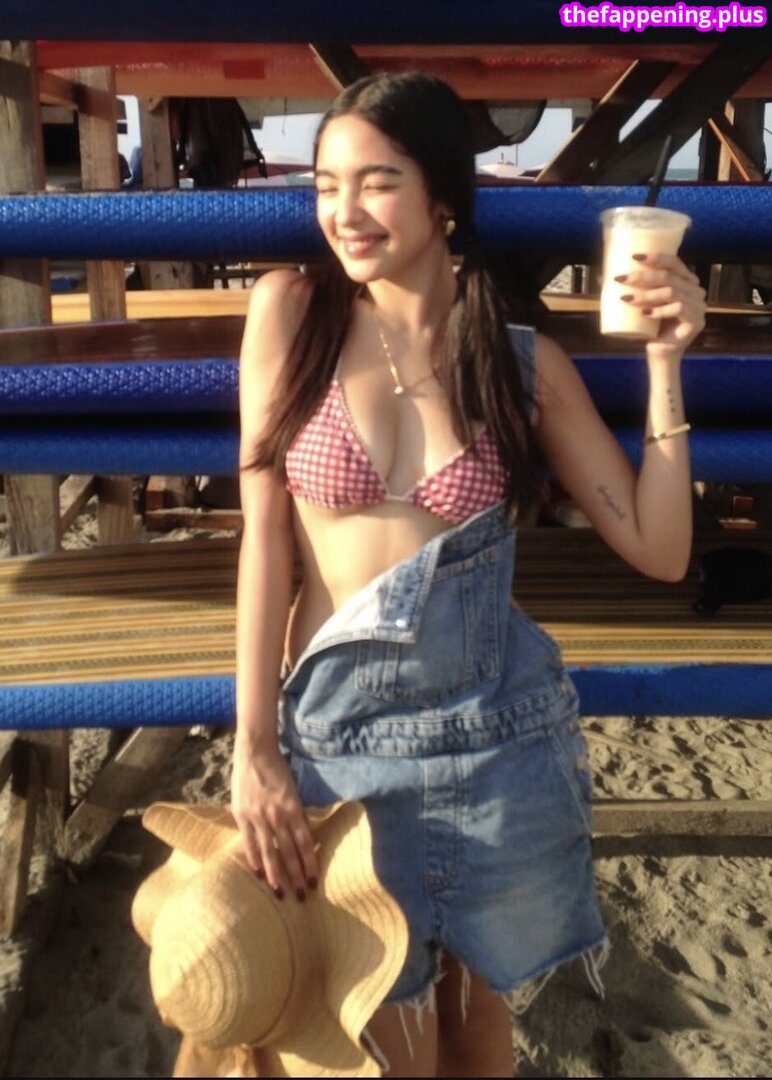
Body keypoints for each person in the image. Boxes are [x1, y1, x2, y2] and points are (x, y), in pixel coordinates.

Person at [232, 71, 706, 1078]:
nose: (344, 212)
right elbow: (263, 543)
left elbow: (661, 550)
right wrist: (254, 746)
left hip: (496, 744)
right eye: (326, 185)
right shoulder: (290, 314)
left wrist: (666, 363)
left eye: (377, 182)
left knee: (478, 1032)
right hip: (340, 749)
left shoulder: (518, 363)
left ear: (444, 196)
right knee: (383, 1045)